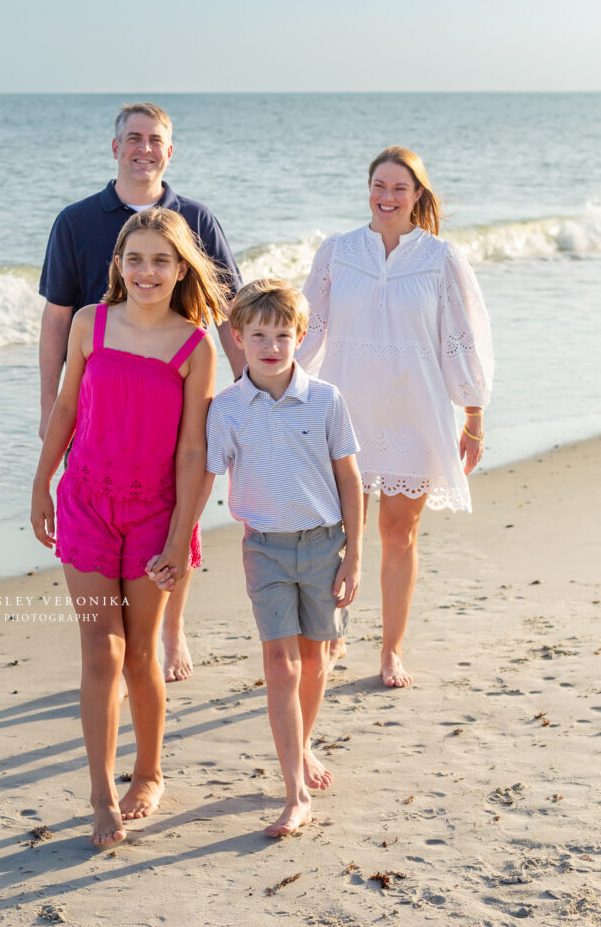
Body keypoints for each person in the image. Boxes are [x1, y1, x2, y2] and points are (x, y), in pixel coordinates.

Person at [31, 208, 226, 846]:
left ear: (180, 270)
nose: (146, 272)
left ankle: (149, 772)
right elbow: (64, 408)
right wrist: (41, 485)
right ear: (118, 265)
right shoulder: (91, 323)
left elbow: (194, 452)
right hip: (86, 502)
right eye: (135, 259)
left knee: (141, 655)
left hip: (155, 516)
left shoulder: (195, 345)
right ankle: (100, 793)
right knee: (100, 651)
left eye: (160, 261)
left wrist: (180, 536)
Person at [39, 102, 243, 682]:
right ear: (115, 148)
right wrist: (50, 403)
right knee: (98, 517)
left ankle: (168, 628)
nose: (144, 149)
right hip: (102, 393)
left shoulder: (197, 220)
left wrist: (252, 396)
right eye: (133, 138)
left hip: (177, 392)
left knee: (180, 509)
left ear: (169, 151)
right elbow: (57, 319)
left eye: (155, 140)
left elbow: (228, 311)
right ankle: (113, 649)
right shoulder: (75, 222)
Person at [297, 145, 493, 689]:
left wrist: (473, 415)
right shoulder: (336, 251)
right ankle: (332, 636)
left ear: (417, 195)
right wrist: (272, 388)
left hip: (415, 412)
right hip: (347, 411)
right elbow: (307, 328)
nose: (387, 197)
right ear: (368, 189)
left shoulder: (441, 258)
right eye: (378, 186)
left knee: (398, 534)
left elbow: (462, 339)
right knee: (339, 533)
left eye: (399, 188)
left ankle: (391, 652)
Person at [196, 278, 363, 838]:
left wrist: (355, 556)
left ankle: (303, 744)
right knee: (280, 665)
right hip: (264, 548)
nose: (271, 345)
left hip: (325, 545)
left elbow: (349, 477)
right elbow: (203, 475)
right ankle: (294, 791)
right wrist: (178, 539)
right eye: (259, 334)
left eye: (283, 334)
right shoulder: (225, 408)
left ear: (301, 336)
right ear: (238, 337)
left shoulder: (326, 399)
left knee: (316, 662)